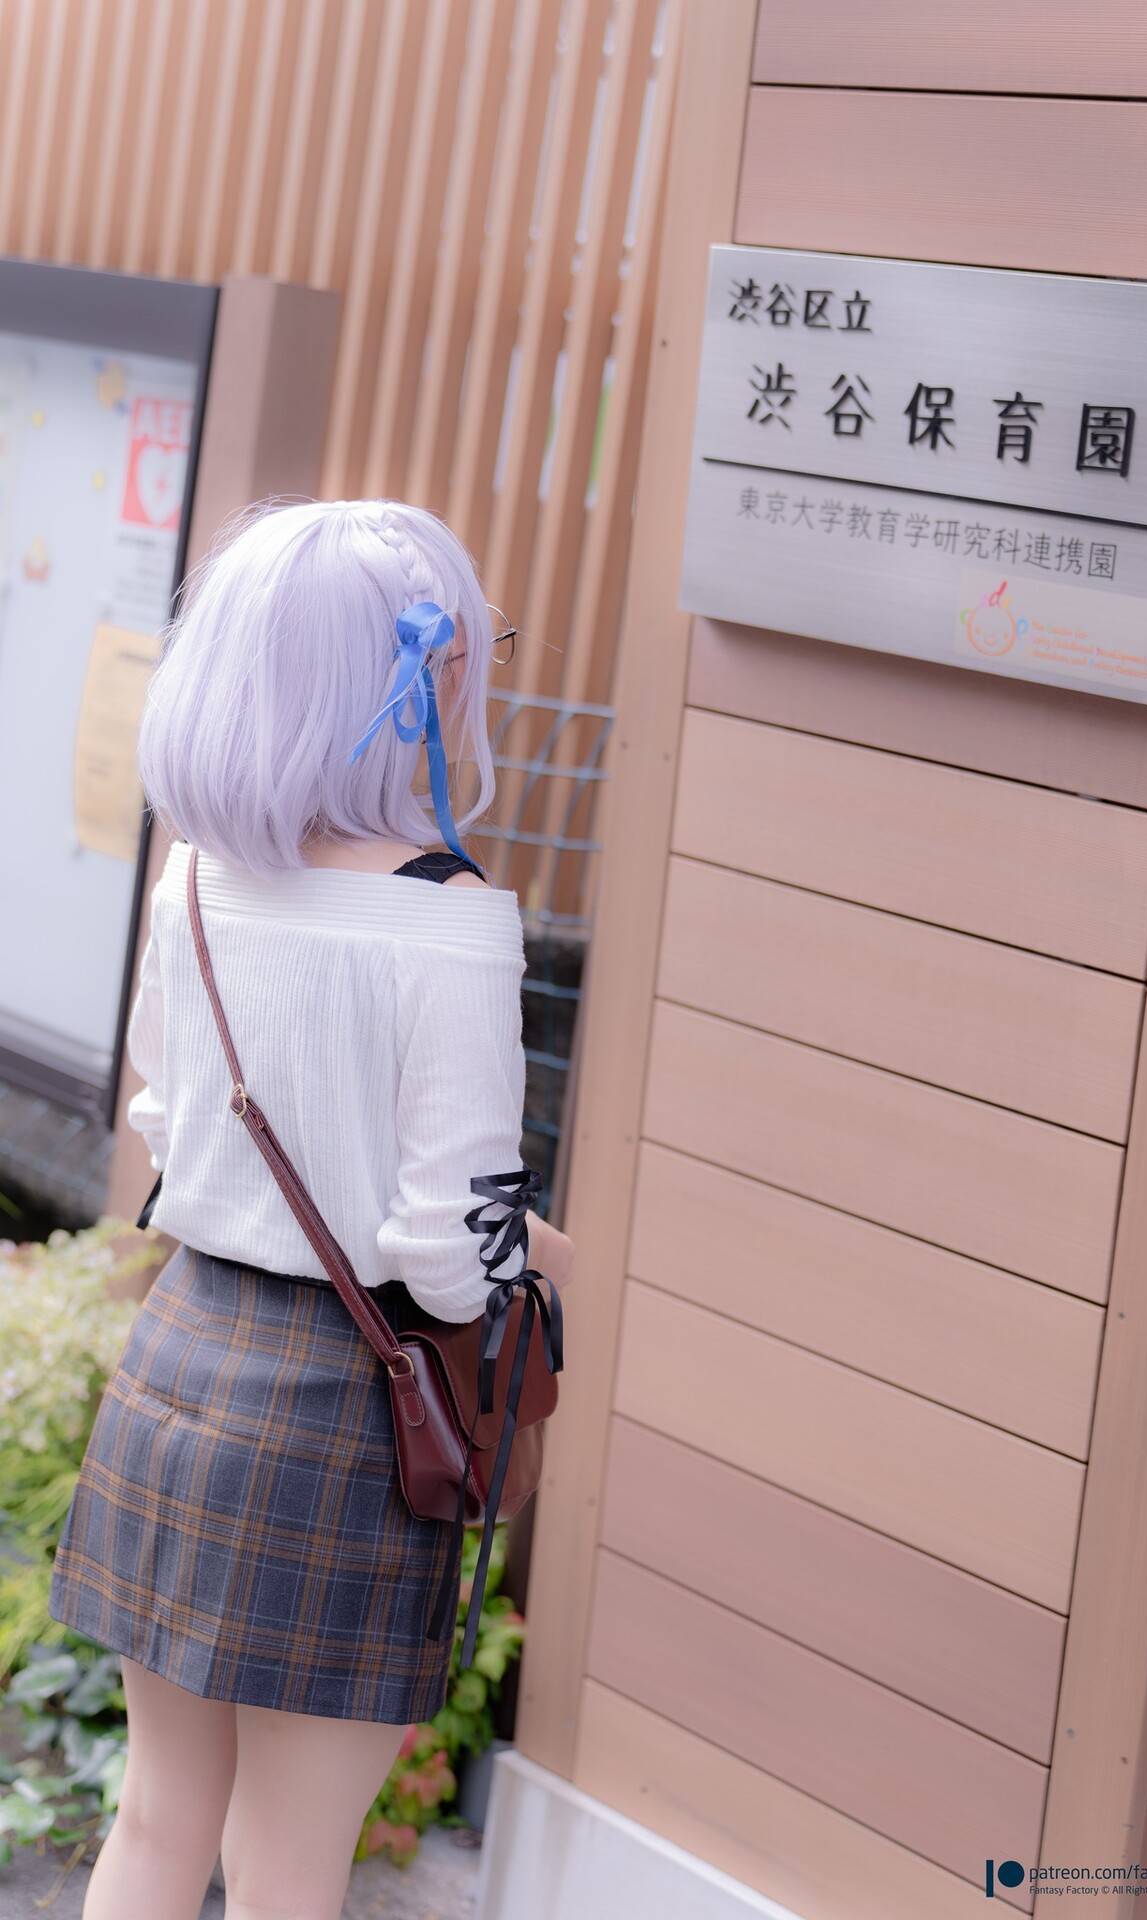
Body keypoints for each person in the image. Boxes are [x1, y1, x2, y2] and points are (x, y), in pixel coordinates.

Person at [46, 498, 575, 1920]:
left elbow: (166, 1125)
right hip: (345, 1414)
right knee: (287, 1869)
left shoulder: (196, 877)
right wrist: (541, 1255)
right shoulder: (451, 921)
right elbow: (450, 1263)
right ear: (416, 682)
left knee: (154, 1821)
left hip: (182, 1361)